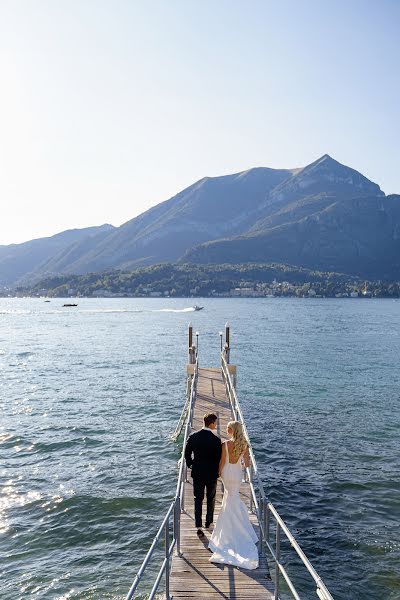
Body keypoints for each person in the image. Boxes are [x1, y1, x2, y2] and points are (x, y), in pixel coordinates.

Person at [208, 420, 259, 569]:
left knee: (228, 497)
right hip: (237, 474)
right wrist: (241, 462)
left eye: (228, 428)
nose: (226, 430)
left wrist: (218, 474)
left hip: (226, 473)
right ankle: (239, 524)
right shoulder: (244, 444)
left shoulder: (225, 444)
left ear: (232, 430)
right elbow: (247, 464)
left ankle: (230, 527)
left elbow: (222, 462)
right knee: (233, 497)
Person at [184, 413, 222, 537]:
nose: (216, 426)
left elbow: (187, 453)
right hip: (211, 474)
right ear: (211, 424)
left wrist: (190, 465)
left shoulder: (193, 437)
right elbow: (218, 458)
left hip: (198, 472)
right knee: (211, 498)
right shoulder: (216, 440)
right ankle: (208, 522)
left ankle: (198, 526)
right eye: (215, 423)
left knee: (198, 499)